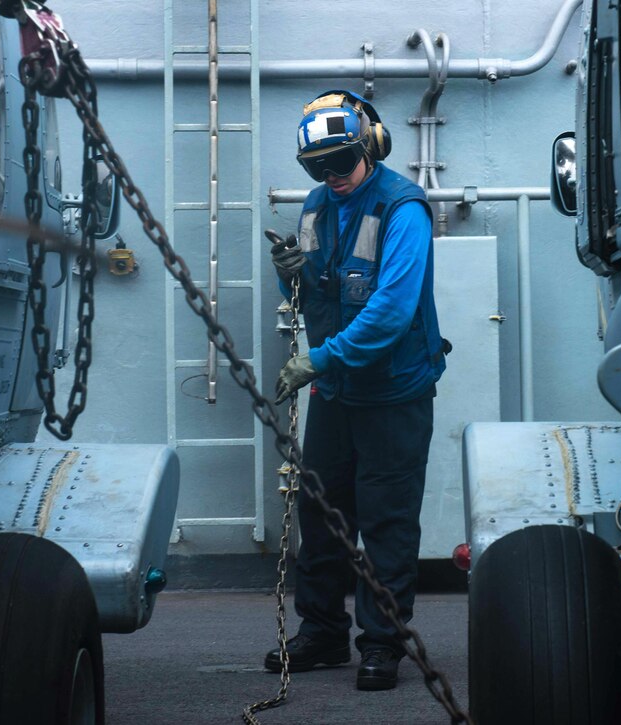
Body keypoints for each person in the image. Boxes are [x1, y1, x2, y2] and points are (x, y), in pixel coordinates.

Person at [263, 89, 448, 691]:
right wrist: (290, 280)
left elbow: (391, 311)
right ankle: (321, 633)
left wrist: (319, 360)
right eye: (318, 167)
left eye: (341, 162)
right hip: (337, 394)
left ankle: (381, 644)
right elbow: (318, 299)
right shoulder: (316, 207)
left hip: (393, 394)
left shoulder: (404, 208)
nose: (332, 176)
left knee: (386, 523)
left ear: (371, 146)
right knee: (321, 514)